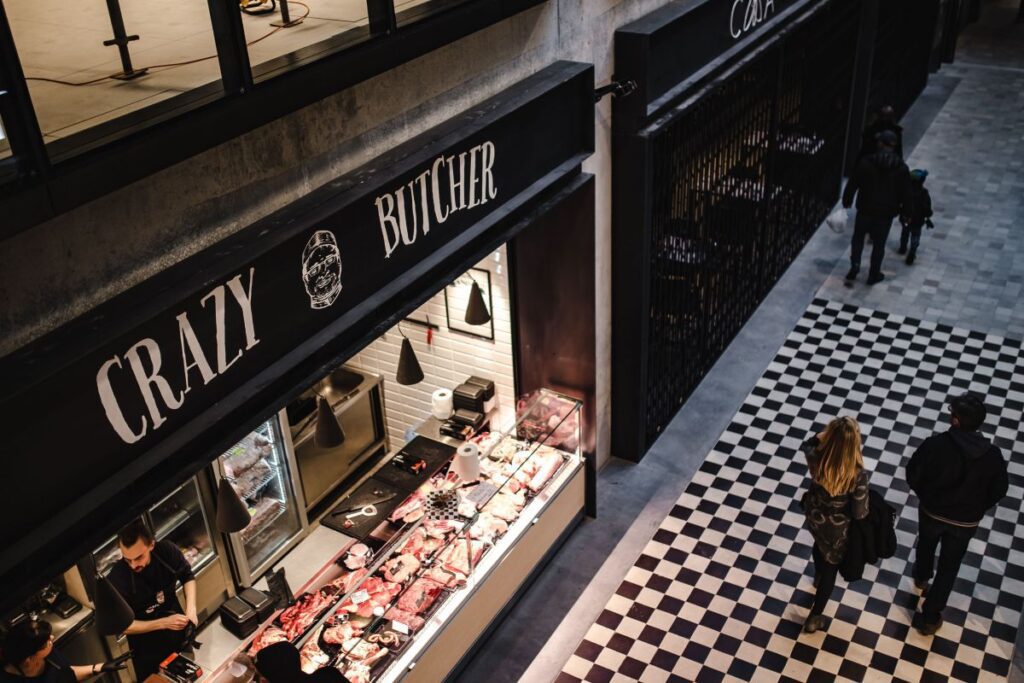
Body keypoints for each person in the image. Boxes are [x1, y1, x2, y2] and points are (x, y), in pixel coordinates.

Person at [906, 393, 1008, 635]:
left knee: (926, 543)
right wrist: (978, 508)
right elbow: (1000, 489)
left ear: (955, 421)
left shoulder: (934, 445)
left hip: (932, 512)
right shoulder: (992, 455)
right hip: (965, 521)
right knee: (949, 567)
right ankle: (931, 616)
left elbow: (913, 473)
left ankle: (921, 576)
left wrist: (925, 496)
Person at [799, 416, 870, 633]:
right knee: (832, 565)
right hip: (838, 528)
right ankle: (815, 616)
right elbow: (859, 512)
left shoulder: (816, 458)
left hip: (815, 516)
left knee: (819, 545)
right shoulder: (857, 474)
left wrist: (823, 436)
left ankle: (817, 575)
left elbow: (808, 444)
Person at [106, 519, 198, 680]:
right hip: (146, 648)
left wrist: (191, 610)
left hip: (178, 632)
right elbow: (123, 626)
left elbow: (187, 576)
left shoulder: (166, 551)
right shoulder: (117, 579)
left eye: (139, 557)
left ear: (151, 545)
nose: (134, 565)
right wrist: (163, 623)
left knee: (187, 675)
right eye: (128, 560)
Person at [841, 130, 912, 285]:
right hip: (885, 212)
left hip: (865, 207)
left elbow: (853, 183)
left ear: (881, 144)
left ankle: (855, 265)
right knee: (879, 244)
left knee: (858, 238)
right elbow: (906, 193)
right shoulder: (901, 168)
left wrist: (847, 200)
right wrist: (907, 212)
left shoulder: (867, 162)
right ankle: (873, 273)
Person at [0, 619, 128, 681]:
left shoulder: (48, 655)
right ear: (29, 658)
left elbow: (66, 673)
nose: (52, 638)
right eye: (46, 642)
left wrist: (99, 668)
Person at [898, 169, 934, 265]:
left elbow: (900, 204)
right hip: (918, 220)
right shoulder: (924, 193)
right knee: (916, 235)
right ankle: (912, 251)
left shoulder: (905, 192)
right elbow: (927, 209)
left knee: (905, 232)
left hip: (906, 218)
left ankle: (902, 248)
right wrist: (928, 216)